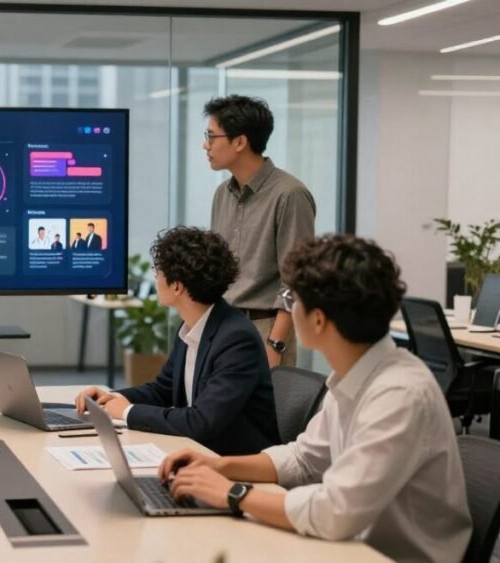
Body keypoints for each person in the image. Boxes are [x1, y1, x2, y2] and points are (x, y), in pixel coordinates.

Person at [160, 235, 471, 563]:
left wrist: (233, 493)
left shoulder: (400, 396)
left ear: (318, 320)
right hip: (348, 545)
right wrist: (220, 466)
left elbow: (335, 510)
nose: (288, 310)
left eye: (292, 300)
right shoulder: (354, 374)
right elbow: (305, 460)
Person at [75, 227, 279, 455]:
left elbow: (201, 422)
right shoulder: (191, 326)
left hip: (235, 465)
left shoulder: (236, 339)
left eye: (158, 270)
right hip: (199, 453)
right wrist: (114, 398)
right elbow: (163, 390)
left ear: (177, 286)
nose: (155, 276)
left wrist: (127, 412)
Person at [204, 95, 315, 369]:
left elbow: (296, 281)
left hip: (265, 329)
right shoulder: (222, 194)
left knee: (267, 412)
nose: (205, 145)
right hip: (222, 325)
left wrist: (276, 344)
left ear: (239, 142)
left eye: (211, 136)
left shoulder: (290, 195)